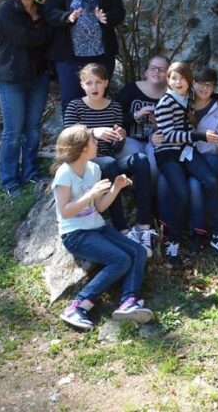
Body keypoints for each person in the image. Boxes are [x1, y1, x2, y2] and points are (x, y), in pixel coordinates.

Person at [52, 125, 153, 331]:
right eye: (93, 141)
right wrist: (90, 194)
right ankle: (78, 306)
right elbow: (64, 212)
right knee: (121, 259)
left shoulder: (94, 169)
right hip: (75, 234)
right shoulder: (64, 173)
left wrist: (116, 188)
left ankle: (129, 302)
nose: (97, 143)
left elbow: (98, 207)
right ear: (83, 149)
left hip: (97, 226)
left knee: (139, 251)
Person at [63, 64, 155, 257]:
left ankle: (144, 227)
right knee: (109, 163)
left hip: (109, 159)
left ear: (106, 83)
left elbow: (116, 148)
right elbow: (68, 139)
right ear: (82, 85)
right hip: (84, 163)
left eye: (98, 82)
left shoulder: (114, 107)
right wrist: (92, 132)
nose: (94, 86)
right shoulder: (75, 106)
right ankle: (123, 230)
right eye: (89, 83)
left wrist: (120, 137)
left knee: (140, 159)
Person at [154, 62, 218, 266]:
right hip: (169, 154)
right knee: (181, 192)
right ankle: (173, 241)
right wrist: (200, 135)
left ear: (189, 81)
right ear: (168, 80)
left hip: (187, 151)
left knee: (210, 181)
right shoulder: (165, 102)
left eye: (182, 78)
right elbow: (168, 134)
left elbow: (205, 92)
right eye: (173, 78)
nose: (178, 82)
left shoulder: (188, 96)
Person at [44, 0, 126, 112]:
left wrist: (106, 17)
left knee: (98, 100)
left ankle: (97, 129)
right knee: (71, 102)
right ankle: (73, 130)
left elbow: (119, 11)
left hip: (101, 56)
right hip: (69, 58)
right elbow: (49, 12)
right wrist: (67, 17)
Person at [0, 0, 53, 196]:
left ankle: (31, 172)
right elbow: (23, 39)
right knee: (13, 131)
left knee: (33, 128)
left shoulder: (44, 11)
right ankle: (9, 180)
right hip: (11, 78)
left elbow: (47, 36)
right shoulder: (6, 10)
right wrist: (49, 33)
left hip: (39, 76)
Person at [186, 67, 218, 260]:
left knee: (196, 182)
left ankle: (201, 235)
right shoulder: (184, 105)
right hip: (190, 157)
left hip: (216, 156)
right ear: (193, 83)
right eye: (201, 83)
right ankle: (214, 233)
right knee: (195, 183)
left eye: (210, 85)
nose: (205, 88)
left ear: (214, 88)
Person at [115, 55, 170, 182]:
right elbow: (114, 119)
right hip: (129, 139)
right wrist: (136, 115)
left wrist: (158, 125)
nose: (157, 72)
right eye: (153, 68)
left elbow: (175, 128)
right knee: (139, 159)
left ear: (168, 74)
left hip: (154, 142)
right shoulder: (131, 89)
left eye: (162, 69)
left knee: (154, 167)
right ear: (146, 72)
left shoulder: (170, 96)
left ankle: (144, 192)